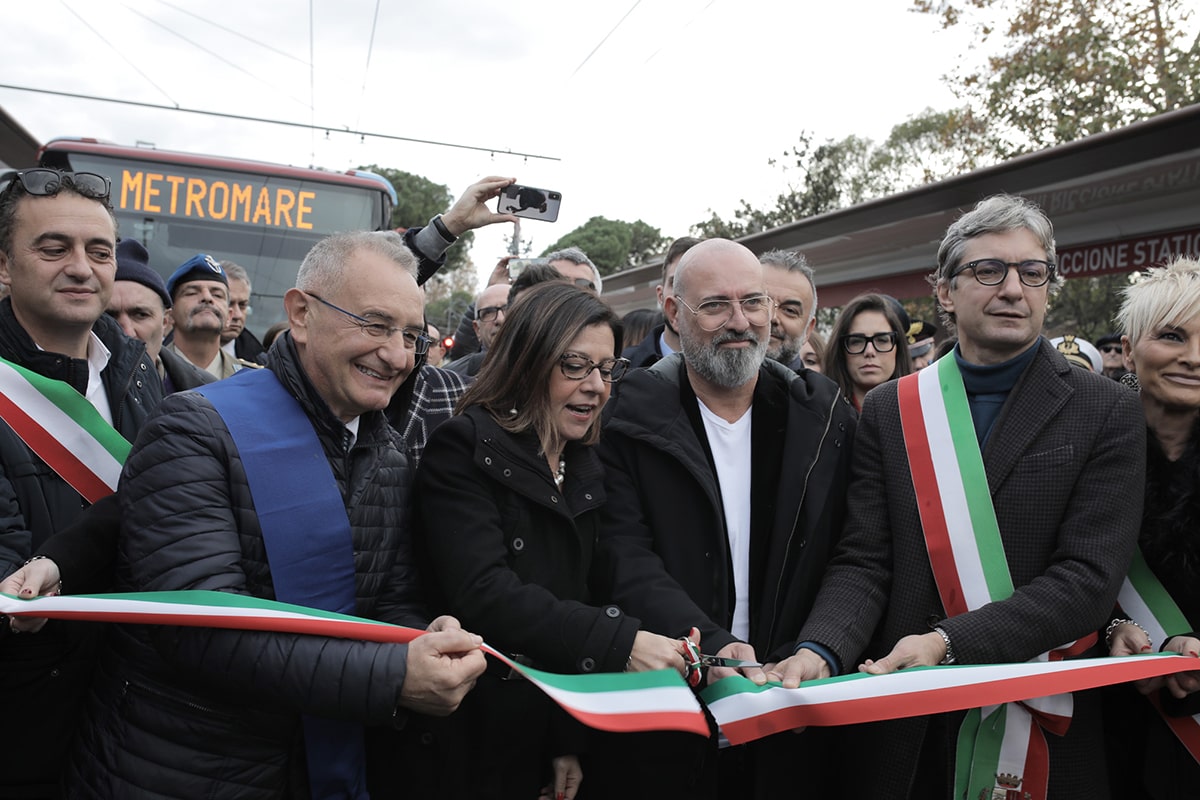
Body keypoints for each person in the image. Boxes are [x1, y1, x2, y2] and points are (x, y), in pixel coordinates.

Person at [65, 230, 486, 798]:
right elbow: (200, 630)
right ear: (301, 314)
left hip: (317, 764)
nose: (398, 356)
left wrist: (424, 640)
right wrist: (393, 677)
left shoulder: (384, 451)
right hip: (180, 770)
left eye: (411, 335)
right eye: (375, 325)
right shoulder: (194, 429)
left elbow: (387, 597)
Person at [774, 194, 1146, 800]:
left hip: (1039, 719)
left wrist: (947, 642)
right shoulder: (894, 410)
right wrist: (821, 647)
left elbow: (1086, 580)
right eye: (988, 270)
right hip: (906, 725)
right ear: (944, 291)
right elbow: (865, 559)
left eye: (1032, 272)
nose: (1012, 289)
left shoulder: (1106, 409)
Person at [592, 238, 857, 798]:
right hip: (664, 713)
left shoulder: (824, 416)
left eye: (753, 303)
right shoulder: (623, 417)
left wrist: (821, 646)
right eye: (715, 305)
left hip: (792, 714)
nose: (740, 322)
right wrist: (709, 647)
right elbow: (622, 554)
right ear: (673, 312)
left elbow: (854, 553)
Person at [415, 281, 690, 800]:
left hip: (543, 728)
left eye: (608, 370)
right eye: (575, 366)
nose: (597, 386)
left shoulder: (585, 460)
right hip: (470, 735)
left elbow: (584, 592)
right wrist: (621, 642)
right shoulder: (464, 447)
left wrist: (566, 738)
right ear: (528, 360)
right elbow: (484, 594)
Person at [0, 167, 163, 798]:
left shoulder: (139, 369)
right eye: (53, 248)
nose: (81, 267)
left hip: (131, 717)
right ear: (5, 266)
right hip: (28, 726)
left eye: (99, 252)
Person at [1104, 256, 1200, 800]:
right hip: (1103, 723)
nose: (1194, 357)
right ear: (1130, 346)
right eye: (1172, 335)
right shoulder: (1079, 448)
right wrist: (1112, 625)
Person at [107, 238, 213, 393]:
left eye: (140, 315)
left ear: (166, 321)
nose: (127, 331)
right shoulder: (69, 387)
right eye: (109, 316)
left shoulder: (205, 390)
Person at [162, 253, 255, 379]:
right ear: (169, 315)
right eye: (192, 293)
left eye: (217, 295)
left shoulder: (250, 378)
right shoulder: (147, 371)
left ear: (229, 316)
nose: (207, 297)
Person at [823, 292, 913, 410]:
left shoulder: (921, 411)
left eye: (882, 340)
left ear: (898, 348)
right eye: (856, 341)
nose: (869, 351)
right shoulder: (819, 412)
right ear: (841, 350)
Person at [622, 236, 702, 368]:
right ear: (660, 296)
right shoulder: (621, 369)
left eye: (701, 285)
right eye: (677, 284)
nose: (685, 296)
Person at [759, 248, 817, 371]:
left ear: (808, 330)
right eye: (761, 303)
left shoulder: (825, 390)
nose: (772, 317)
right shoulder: (708, 385)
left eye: (790, 310)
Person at [446, 282, 510, 378]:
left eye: (509, 309)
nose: (500, 319)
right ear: (477, 329)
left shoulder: (540, 369)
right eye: (488, 312)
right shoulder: (450, 379)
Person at [219, 259, 268, 365]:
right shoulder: (176, 355)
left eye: (242, 305)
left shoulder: (264, 364)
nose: (237, 315)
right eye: (229, 304)